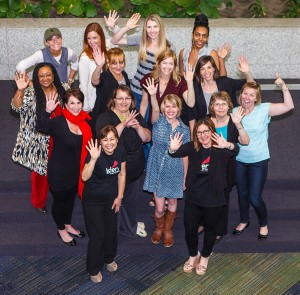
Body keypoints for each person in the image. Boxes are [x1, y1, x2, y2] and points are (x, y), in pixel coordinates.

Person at [169, 117, 239, 275]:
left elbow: (236, 150)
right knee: (190, 230)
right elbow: (174, 153)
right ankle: (193, 255)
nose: (203, 135)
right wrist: (172, 148)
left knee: (210, 231)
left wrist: (226, 144)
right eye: (199, 132)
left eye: (206, 131)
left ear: (211, 131)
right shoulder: (193, 147)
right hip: (194, 198)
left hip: (214, 199)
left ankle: (205, 256)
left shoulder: (220, 147)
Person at [232, 76, 294, 240]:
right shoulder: (234, 112)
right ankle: (244, 220)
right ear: (241, 95)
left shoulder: (264, 109)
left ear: (256, 98)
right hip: (239, 160)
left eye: (252, 95)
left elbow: (289, 106)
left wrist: (283, 87)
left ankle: (263, 223)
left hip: (258, 161)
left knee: (254, 196)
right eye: (245, 93)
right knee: (242, 193)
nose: (247, 97)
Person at [35, 89, 92, 246]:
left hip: (77, 173)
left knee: (70, 201)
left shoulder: (85, 122)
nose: (75, 107)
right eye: (71, 103)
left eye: (78, 102)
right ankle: (61, 229)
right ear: (65, 105)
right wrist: (47, 111)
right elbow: (40, 126)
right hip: (59, 173)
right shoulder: (58, 122)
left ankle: (67, 224)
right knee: (60, 202)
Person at [95, 85, 151, 239]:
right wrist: (124, 124)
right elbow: (105, 139)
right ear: (113, 100)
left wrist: (138, 127)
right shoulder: (105, 117)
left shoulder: (136, 115)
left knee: (131, 199)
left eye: (127, 98)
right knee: (116, 200)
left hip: (135, 167)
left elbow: (147, 138)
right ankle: (118, 229)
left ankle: (129, 225)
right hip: (115, 168)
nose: (124, 102)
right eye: (120, 98)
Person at [11, 62, 68, 213]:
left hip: (60, 137)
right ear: (36, 78)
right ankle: (39, 201)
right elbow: (16, 106)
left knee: (61, 168)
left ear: (54, 75)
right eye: (41, 76)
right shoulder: (31, 92)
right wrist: (20, 90)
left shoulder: (63, 88)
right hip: (40, 139)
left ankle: (62, 195)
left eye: (48, 75)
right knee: (40, 172)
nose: (45, 78)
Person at [143, 94, 189, 247]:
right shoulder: (157, 121)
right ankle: (159, 226)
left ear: (178, 109)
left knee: (173, 200)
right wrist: (151, 94)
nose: (170, 109)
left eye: (174, 106)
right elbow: (154, 109)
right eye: (167, 106)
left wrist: (185, 178)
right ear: (163, 108)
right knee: (160, 207)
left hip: (175, 168)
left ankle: (168, 229)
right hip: (157, 167)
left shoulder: (184, 129)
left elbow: (185, 156)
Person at [82, 126, 126, 283]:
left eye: (112, 139)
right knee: (98, 236)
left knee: (111, 232)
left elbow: (122, 174)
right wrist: (93, 159)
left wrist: (120, 196)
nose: (109, 143)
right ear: (100, 141)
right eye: (105, 139)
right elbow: (84, 177)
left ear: (117, 140)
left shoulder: (120, 151)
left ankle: (109, 258)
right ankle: (93, 268)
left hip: (112, 200)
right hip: (93, 202)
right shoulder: (95, 152)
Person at [207, 91, 249, 242]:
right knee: (206, 198)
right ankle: (205, 224)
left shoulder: (233, 121)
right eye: (217, 104)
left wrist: (238, 125)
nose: (220, 107)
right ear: (212, 106)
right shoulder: (206, 121)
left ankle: (219, 230)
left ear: (229, 106)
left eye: (223, 104)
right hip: (207, 167)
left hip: (226, 169)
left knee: (222, 201)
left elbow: (244, 142)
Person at [110, 13, 173, 113]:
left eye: (155, 27)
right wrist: (127, 27)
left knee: (146, 125)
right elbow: (114, 41)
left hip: (152, 93)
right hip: (134, 90)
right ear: (145, 29)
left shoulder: (167, 47)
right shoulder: (141, 41)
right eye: (149, 27)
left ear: (160, 28)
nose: (152, 30)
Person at [190, 54, 254, 131]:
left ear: (214, 68)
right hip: (205, 130)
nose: (206, 71)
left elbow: (251, 86)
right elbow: (191, 114)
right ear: (199, 72)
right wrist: (193, 135)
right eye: (202, 69)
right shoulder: (194, 87)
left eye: (209, 67)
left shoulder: (224, 82)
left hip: (228, 126)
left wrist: (247, 73)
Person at [140, 49, 195, 127]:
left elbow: (191, 103)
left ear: (175, 66)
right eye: (165, 63)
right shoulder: (149, 79)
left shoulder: (179, 81)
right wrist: (140, 124)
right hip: (154, 122)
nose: (167, 67)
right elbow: (144, 104)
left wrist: (190, 82)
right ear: (159, 64)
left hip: (174, 124)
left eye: (171, 64)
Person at [79, 11, 120, 112]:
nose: (92, 42)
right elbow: (83, 85)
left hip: (111, 99)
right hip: (95, 103)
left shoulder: (108, 46)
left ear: (101, 37)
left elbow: (121, 39)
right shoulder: (85, 58)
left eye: (95, 38)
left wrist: (114, 27)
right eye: (88, 38)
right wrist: (86, 107)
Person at [90, 48, 130, 135]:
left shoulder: (125, 75)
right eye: (114, 63)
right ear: (108, 63)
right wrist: (99, 66)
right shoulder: (105, 76)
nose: (118, 66)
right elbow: (94, 81)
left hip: (120, 117)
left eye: (121, 62)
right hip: (104, 118)